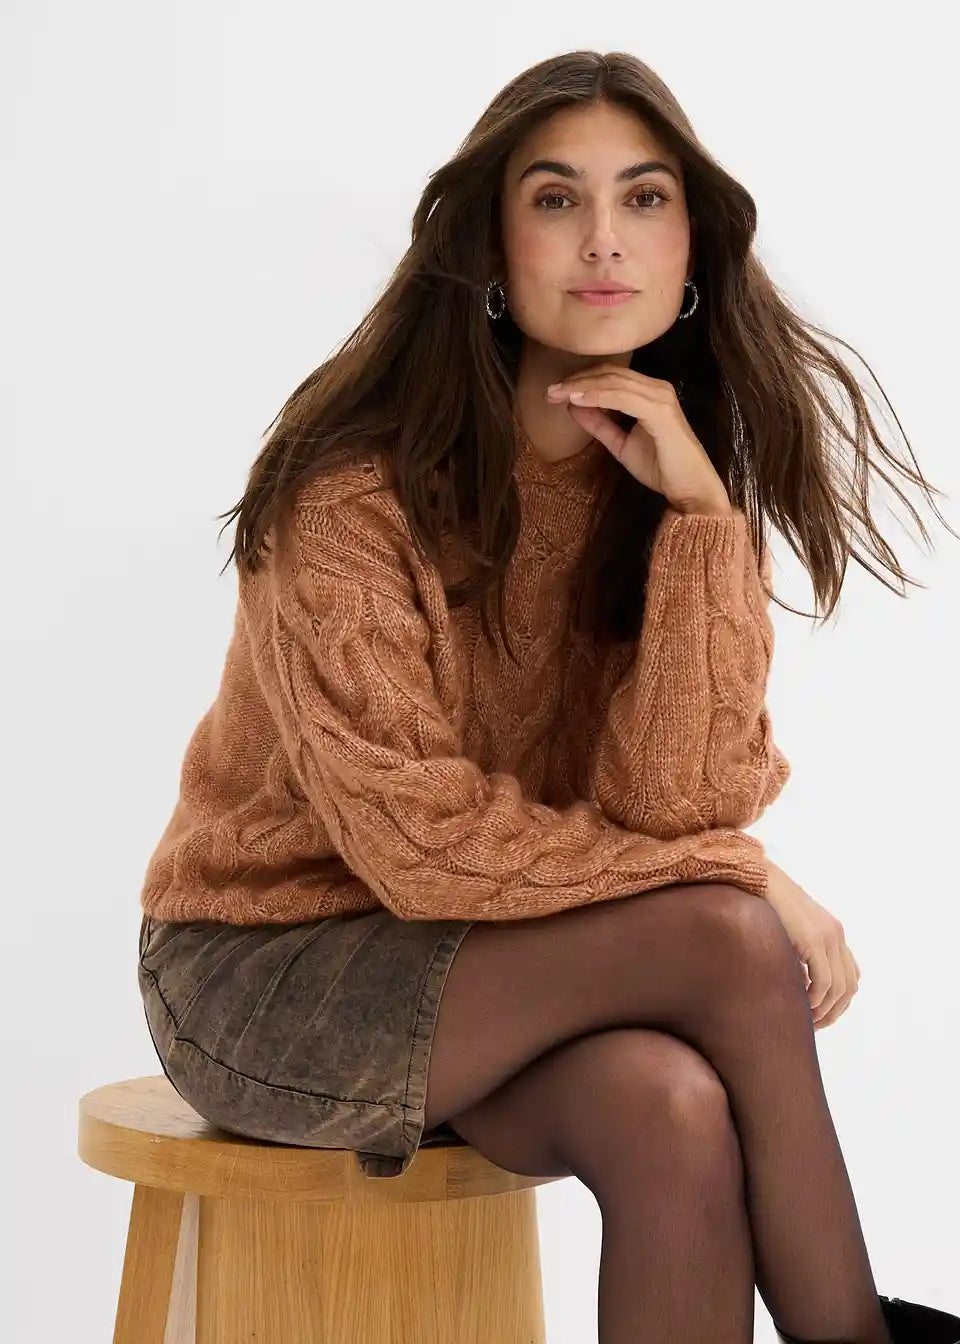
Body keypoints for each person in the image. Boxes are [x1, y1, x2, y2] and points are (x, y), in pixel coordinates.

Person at [135, 50, 960, 1344]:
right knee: (728, 937)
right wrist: (743, 876)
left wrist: (702, 522)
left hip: (506, 959)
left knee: (673, 1110)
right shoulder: (351, 497)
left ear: (693, 245)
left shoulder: (667, 489)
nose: (604, 240)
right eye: (556, 198)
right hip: (271, 973)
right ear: (489, 243)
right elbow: (420, 845)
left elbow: (673, 804)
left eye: (644, 198)